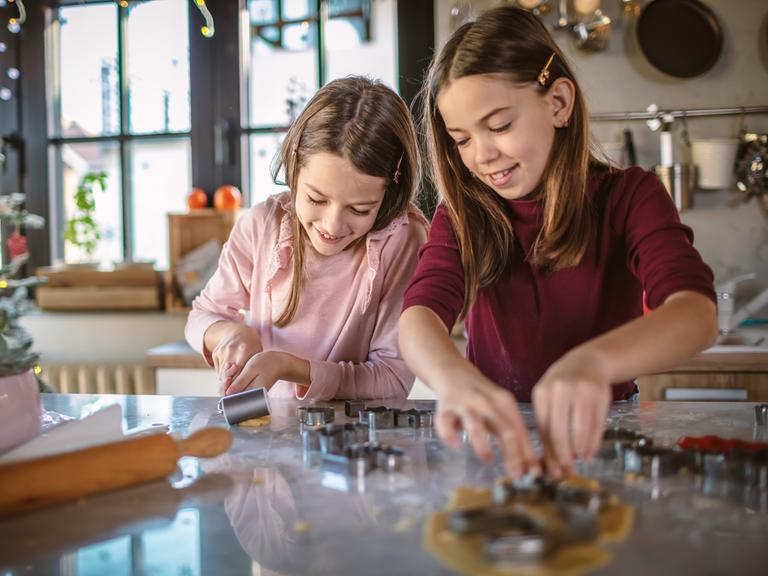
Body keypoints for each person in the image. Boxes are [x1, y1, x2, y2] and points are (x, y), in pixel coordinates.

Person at [398, 6, 717, 480]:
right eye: (462, 139)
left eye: (500, 126)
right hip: (496, 437)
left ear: (559, 103)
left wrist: (593, 362)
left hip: (607, 433)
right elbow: (418, 317)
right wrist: (453, 379)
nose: (482, 155)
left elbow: (696, 314)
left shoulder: (629, 196)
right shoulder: (462, 214)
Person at [187, 76, 428, 401]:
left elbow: (392, 380)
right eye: (316, 199)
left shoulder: (402, 241)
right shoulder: (262, 225)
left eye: (359, 209)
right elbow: (202, 316)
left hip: (359, 443)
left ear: (390, 192)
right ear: (294, 169)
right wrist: (229, 333)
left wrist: (287, 366)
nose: (332, 225)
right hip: (270, 436)